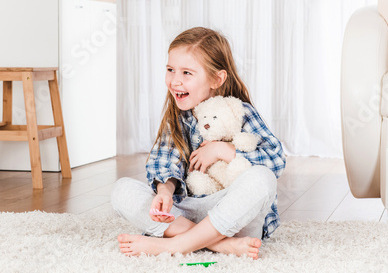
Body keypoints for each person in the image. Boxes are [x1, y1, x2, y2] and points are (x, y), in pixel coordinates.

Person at [111, 27, 286, 259]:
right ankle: (219, 244)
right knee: (122, 190)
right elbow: (164, 162)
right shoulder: (177, 116)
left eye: (187, 73)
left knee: (262, 180)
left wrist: (223, 150)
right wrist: (164, 191)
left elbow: (275, 160)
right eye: (171, 70)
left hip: (231, 214)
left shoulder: (240, 112)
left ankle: (171, 246)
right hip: (186, 211)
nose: (175, 81)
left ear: (217, 78)